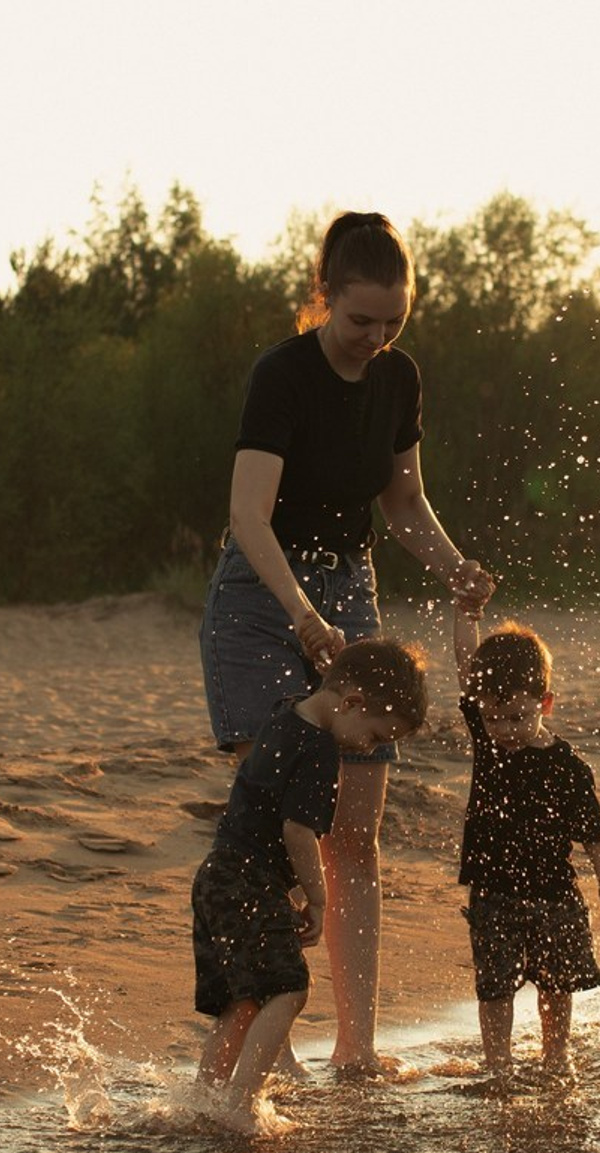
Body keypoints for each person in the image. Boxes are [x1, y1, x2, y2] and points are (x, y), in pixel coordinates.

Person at [199, 210, 493, 1075]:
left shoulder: (399, 380)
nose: (375, 337)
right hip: (262, 598)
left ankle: (357, 1050)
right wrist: (299, 613)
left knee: (354, 830)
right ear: (324, 296)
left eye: (392, 322)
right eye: (361, 319)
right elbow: (248, 516)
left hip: (350, 589)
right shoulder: (282, 376)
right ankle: (266, 1037)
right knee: (275, 823)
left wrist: (454, 567)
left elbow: (401, 507)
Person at [192, 638, 429, 1130]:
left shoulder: (282, 715)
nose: (369, 748)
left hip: (216, 876)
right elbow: (298, 831)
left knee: (242, 999)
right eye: (375, 736)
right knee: (290, 988)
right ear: (352, 703)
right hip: (250, 881)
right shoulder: (321, 750)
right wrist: (317, 898)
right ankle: (241, 1104)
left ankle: (203, 1100)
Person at [453, 610, 600, 1076]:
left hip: (555, 893)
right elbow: (465, 667)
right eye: (493, 719)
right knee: (494, 986)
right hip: (492, 892)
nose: (505, 729)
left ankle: (556, 1056)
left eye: (517, 717)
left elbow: (593, 830)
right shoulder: (488, 747)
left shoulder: (568, 766)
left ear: (544, 704)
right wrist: (464, 614)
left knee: (556, 982)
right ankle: (499, 1064)